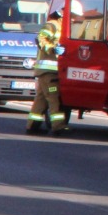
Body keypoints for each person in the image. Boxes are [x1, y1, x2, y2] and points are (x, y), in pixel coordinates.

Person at [27, 7, 67, 135]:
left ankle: (32, 126)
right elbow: (40, 40)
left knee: (41, 98)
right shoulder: (52, 25)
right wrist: (53, 49)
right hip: (49, 71)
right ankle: (58, 126)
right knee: (54, 98)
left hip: (48, 71)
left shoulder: (63, 27)